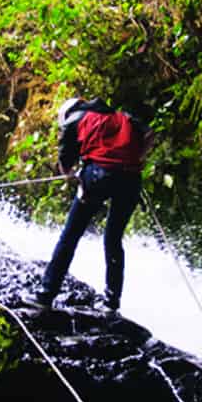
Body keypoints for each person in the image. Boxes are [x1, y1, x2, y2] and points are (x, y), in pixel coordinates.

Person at [35, 97, 155, 316]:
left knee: (70, 235)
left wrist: (71, 176)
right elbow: (149, 134)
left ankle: (45, 295)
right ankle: (111, 303)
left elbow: (65, 159)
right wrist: (138, 158)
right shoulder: (121, 117)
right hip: (130, 180)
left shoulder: (76, 118)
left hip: (97, 176)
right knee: (113, 239)